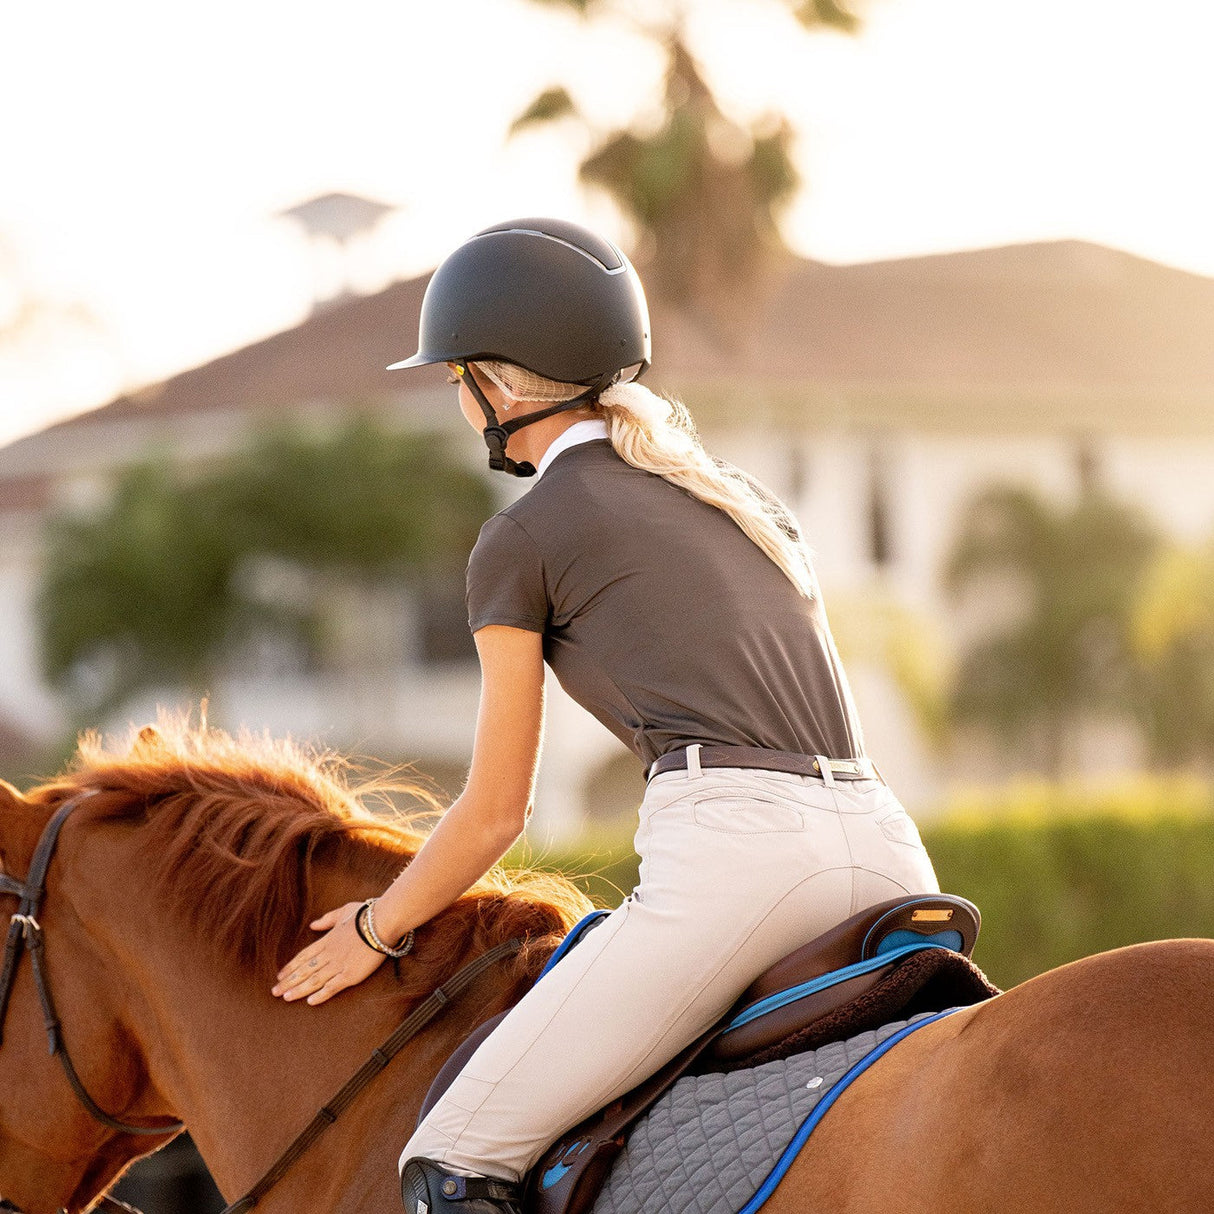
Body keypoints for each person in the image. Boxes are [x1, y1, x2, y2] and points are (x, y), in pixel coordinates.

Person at [271, 217, 940, 1214]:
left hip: (741, 863)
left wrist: (377, 925)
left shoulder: (523, 537)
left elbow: (495, 813)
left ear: (496, 387)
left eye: (455, 378)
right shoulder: (738, 501)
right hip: (890, 851)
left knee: (451, 1157)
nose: (458, 398)